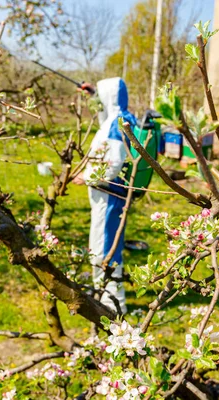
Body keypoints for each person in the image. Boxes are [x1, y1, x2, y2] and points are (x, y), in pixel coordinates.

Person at [74, 77, 136, 315]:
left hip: (110, 194)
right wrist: (93, 96)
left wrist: (87, 177)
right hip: (107, 195)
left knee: (106, 248)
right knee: (98, 244)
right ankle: (101, 291)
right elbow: (104, 120)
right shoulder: (118, 118)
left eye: (101, 94)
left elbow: (113, 163)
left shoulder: (118, 122)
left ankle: (112, 304)